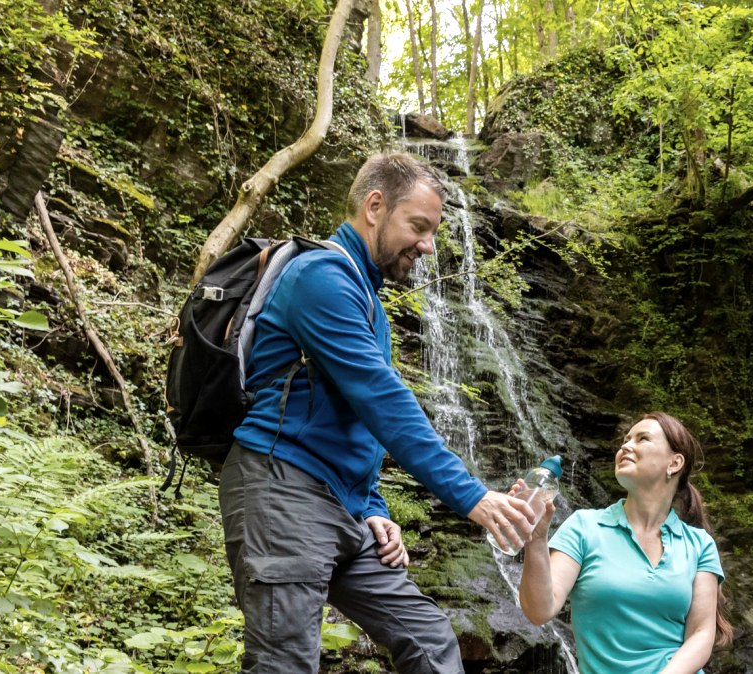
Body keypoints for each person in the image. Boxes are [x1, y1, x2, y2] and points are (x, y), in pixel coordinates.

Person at [220, 151, 539, 673]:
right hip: (282, 490)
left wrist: (372, 506)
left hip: (343, 507)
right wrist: (472, 495)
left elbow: (357, 418)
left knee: (429, 637)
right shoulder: (320, 277)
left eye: (433, 232)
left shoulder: (366, 297)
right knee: (286, 663)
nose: (428, 246)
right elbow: (383, 400)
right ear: (374, 206)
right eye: (419, 226)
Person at [518, 412, 733, 673]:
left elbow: (701, 634)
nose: (626, 446)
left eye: (642, 439)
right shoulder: (584, 526)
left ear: (674, 463)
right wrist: (536, 539)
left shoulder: (699, 544)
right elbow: (539, 610)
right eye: (626, 439)